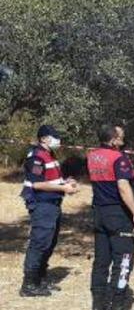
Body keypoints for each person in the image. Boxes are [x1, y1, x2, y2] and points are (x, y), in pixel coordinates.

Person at [86, 124, 134, 310]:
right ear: (113, 140)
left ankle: (98, 306)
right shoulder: (118, 159)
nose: (123, 140)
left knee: (101, 260)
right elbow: (123, 187)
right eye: (120, 137)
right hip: (118, 214)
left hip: (99, 213)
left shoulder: (92, 156)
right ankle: (118, 308)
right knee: (124, 259)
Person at [19, 125, 79, 297]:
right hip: (41, 204)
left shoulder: (49, 155)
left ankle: (40, 279)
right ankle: (29, 284)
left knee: (49, 242)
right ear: (44, 138)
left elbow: (51, 179)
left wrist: (66, 181)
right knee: (39, 242)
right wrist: (64, 189)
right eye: (55, 137)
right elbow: (37, 184)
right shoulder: (36, 157)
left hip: (52, 203)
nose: (58, 140)